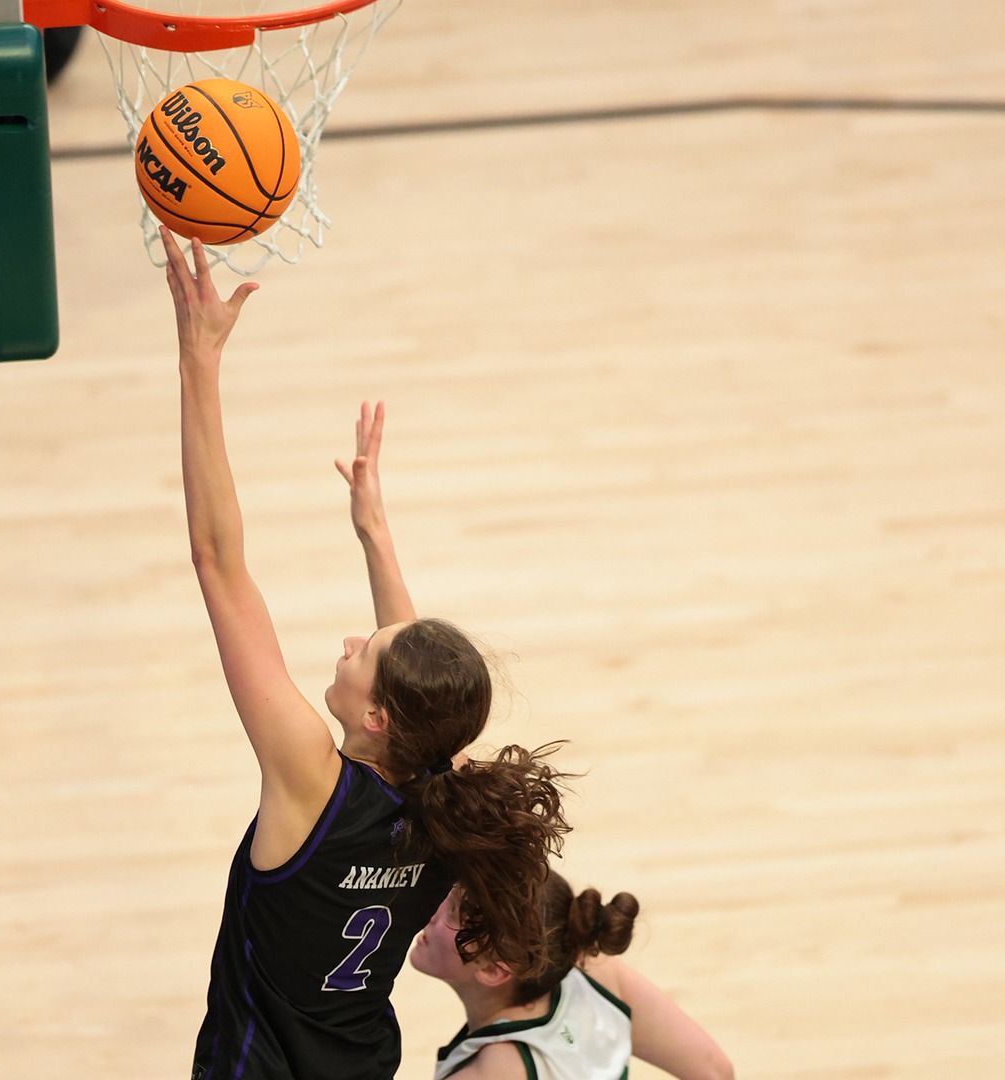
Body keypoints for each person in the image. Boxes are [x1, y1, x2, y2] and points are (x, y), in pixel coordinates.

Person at [164, 229, 575, 1080]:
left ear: (379, 716)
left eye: (365, 653)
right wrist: (374, 534)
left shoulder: (312, 778)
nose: (351, 641)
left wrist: (198, 358)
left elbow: (218, 562)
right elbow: (427, 687)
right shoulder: (442, 798)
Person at [410, 874, 734, 1080]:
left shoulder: (492, 1071)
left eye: (452, 913)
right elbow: (715, 1071)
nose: (432, 911)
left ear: (493, 970)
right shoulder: (598, 974)